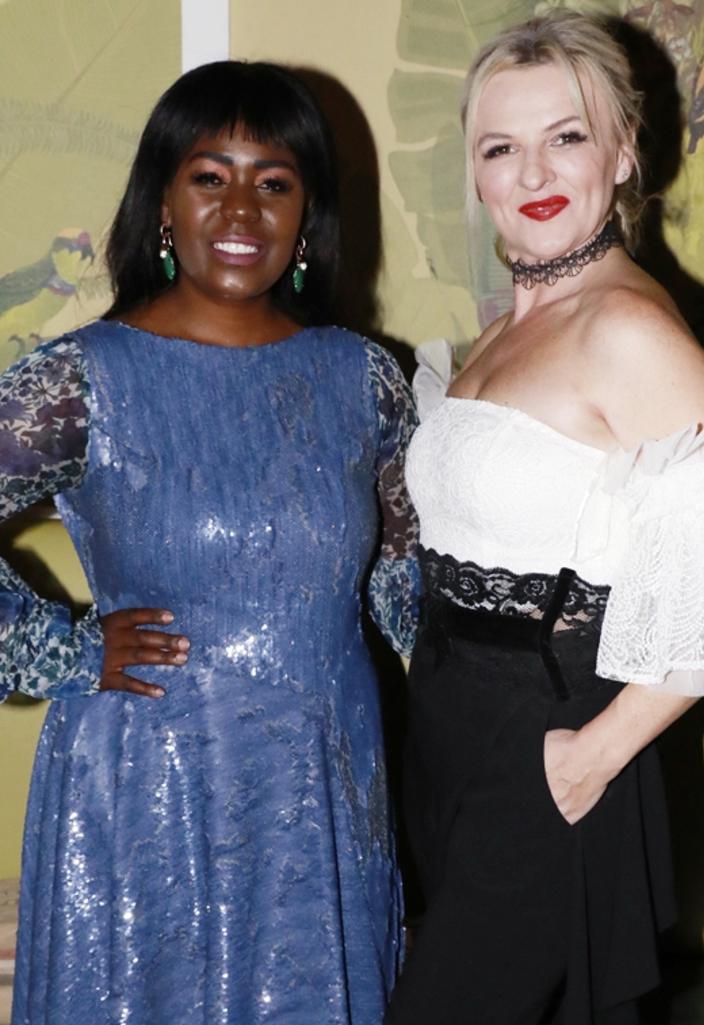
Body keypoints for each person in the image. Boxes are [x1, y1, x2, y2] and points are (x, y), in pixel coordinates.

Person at [1, 60, 419, 1025]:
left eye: (275, 181)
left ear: (309, 213)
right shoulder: (84, 378)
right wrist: (59, 647)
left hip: (322, 790)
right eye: (209, 175)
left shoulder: (365, 380)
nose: (242, 209)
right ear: (162, 202)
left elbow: (406, 595)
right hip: (145, 788)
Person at [384, 11, 704, 1025]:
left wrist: (590, 754)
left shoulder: (627, 326)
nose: (534, 170)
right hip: (450, 728)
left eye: (567, 134)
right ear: (472, 173)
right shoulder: (502, 330)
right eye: (501, 147)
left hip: (548, 742)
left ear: (623, 149)